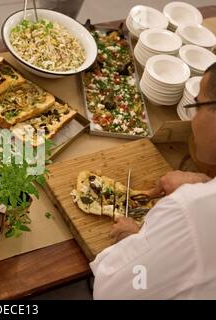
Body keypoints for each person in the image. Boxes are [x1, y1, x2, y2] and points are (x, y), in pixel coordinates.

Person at [91, 62, 216, 299]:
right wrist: (206, 183)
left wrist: (135, 240)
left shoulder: (187, 209)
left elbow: (112, 293)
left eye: (198, 106)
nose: (193, 120)